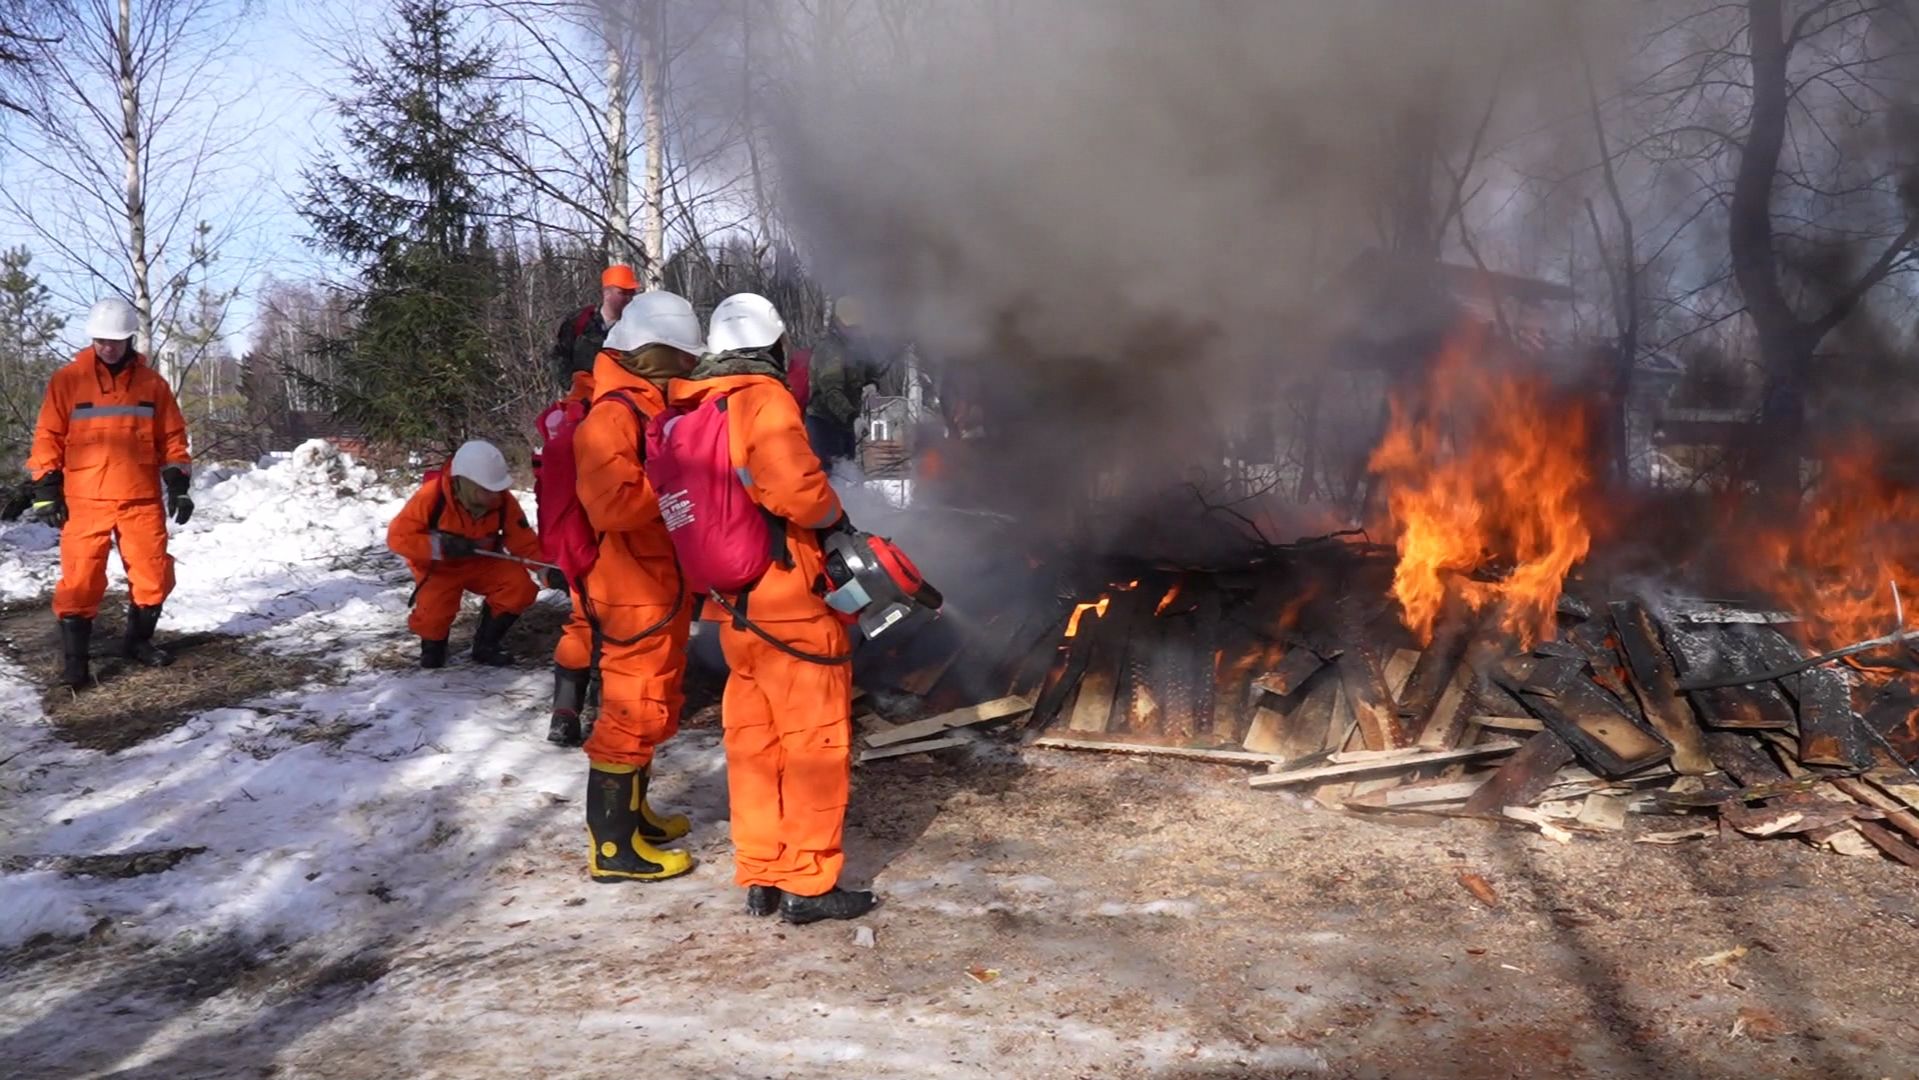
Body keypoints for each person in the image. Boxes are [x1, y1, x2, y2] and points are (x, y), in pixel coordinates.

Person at [669, 292, 873, 925]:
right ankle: (809, 884)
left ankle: (761, 872)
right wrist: (835, 517)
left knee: (754, 746)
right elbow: (796, 492)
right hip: (789, 603)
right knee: (814, 745)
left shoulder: (693, 410)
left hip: (734, 608)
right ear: (773, 345)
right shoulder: (764, 399)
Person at [573, 292, 706, 883]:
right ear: (656, 354)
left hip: (656, 581)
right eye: (685, 357)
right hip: (632, 588)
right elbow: (613, 506)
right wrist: (680, 481)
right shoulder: (612, 416)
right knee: (630, 710)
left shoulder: (645, 406)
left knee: (656, 701)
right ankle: (611, 848)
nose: (691, 367)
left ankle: (634, 816)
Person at [27, 297, 193, 687]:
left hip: (140, 497)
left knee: (153, 574)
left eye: (115, 340)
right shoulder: (68, 380)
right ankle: (76, 664)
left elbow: (172, 437)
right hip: (85, 499)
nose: (108, 347)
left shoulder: (152, 384)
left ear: (130, 338)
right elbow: (48, 435)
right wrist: (46, 487)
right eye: (101, 340)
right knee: (80, 580)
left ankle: (138, 642)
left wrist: (179, 485)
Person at [387, 440, 553, 668]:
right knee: (434, 616)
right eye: (488, 490)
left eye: (498, 489)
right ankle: (433, 647)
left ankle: (487, 645)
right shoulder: (431, 497)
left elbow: (523, 541)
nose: (496, 496)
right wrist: (441, 546)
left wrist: (547, 569)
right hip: (440, 568)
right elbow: (398, 538)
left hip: (482, 563)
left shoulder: (503, 501)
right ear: (467, 484)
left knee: (519, 587)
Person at [803, 295, 892, 469]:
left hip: (846, 423)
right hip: (824, 424)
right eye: (850, 326)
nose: (854, 330)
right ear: (838, 322)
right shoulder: (829, 349)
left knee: (847, 472)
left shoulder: (859, 345)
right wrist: (852, 417)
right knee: (831, 474)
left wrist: (872, 383)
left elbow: (870, 368)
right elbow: (831, 392)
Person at [551, 264, 641, 392]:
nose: (628, 299)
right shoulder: (579, 320)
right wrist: (570, 385)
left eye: (631, 294)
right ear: (606, 293)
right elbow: (559, 355)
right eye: (622, 293)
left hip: (621, 397)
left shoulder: (639, 326)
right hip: (584, 395)